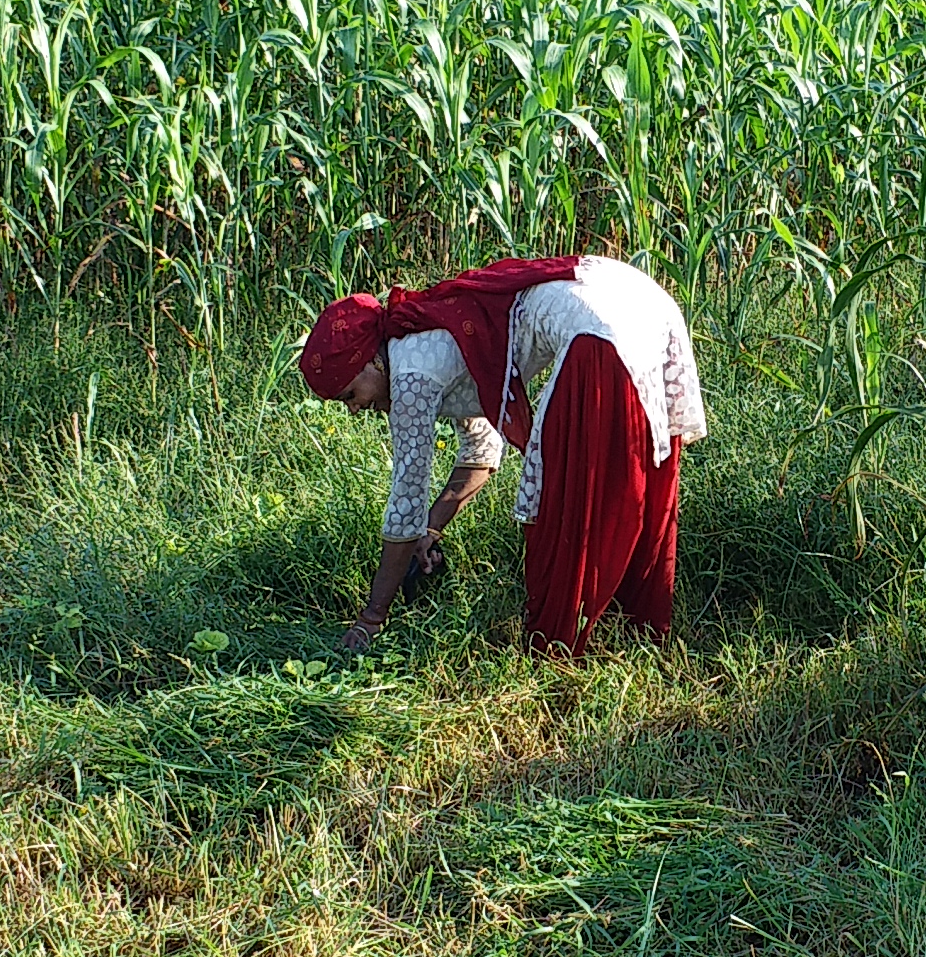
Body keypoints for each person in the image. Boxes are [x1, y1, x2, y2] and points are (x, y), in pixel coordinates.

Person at [299, 255, 707, 657]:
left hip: (600, 329)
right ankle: (635, 628)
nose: (353, 409)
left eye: (350, 395)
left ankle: (560, 649)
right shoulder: (428, 331)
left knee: (568, 505)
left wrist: (372, 618)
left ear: (372, 360)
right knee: (626, 483)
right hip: (638, 298)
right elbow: (482, 449)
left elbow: (406, 502)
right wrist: (432, 531)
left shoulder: (409, 378)